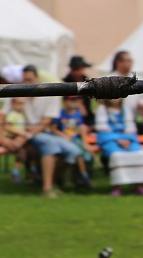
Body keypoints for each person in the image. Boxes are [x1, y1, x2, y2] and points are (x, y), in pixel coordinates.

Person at [15, 64, 91, 197]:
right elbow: (9, 119)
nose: (27, 83)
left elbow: (46, 123)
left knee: (73, 151)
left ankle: (50, 181)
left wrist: (28, 133)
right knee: (50, 145)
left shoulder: (49, 94)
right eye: (24, 80)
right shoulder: (18, 95)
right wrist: (24, 134)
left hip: (42, 133)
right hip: (32, 135)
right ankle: (47, 188)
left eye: (30, 80)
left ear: (38, 79)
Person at [94, 97, 143, 196]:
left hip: (128, 139)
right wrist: (117, 139)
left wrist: (128, 139)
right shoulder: (102, 109)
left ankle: (139, 186)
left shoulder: (126, 109)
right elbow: (101, 128)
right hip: (110, 139)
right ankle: (117, 187)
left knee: (140, 154)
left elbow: (131, 127)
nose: (114, 99)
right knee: (117, 155)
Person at [62, 55, 94, 126]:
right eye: (75, 69)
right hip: (68, 118)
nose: (77, 72)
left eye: (79, 69)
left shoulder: (88, 83)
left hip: (87, 119)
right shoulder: (65, 83)